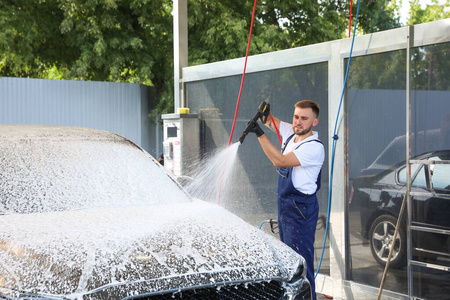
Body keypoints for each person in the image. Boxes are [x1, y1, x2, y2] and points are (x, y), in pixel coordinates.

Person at [247, 100, 325, 300]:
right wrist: (264, 114)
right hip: (286, 206)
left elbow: (279, 161)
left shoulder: (314, 147)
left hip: (300, 210)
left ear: (314, 122)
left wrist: (259, 133)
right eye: (296, 116)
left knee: (300, 264)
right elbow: (272, 123)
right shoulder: (292, 132)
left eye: (304, 118)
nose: (298, 122)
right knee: (288, 260)